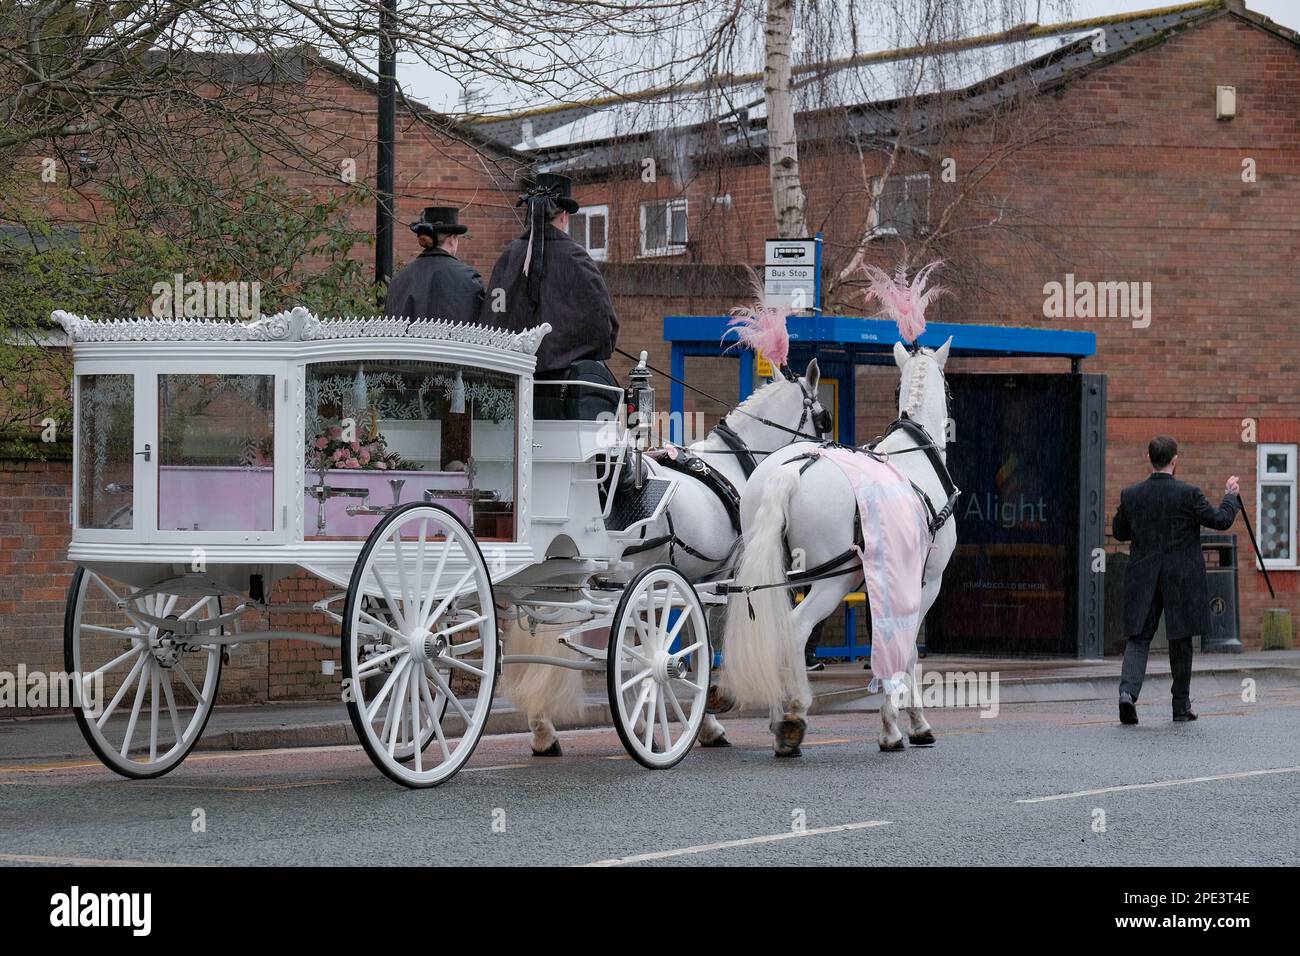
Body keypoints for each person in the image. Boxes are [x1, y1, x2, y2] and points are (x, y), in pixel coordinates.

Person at [1112, 435, 1240, 724]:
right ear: (1175, 459)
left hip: (1144, 576)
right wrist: (1230, 497)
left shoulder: (1131, 495)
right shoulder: (1189, 493)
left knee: (1139, 637)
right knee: (1180, 640)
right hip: (1181, 577)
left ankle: (1127, 694)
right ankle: (1180, 706)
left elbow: (1119, 531)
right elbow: (1220, 520)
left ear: (1149, 458)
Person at [479, 173, 619, 384]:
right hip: (561, 386)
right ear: (563, 215)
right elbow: (604, 325)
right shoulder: (576, 258)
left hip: (508, 383)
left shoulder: (509, 256)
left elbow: (491, 318)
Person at [384, 206, 485, 324]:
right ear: (452, 239)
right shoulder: (469, 279)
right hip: (453, 343)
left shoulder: (399, 280)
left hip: (408, 342)